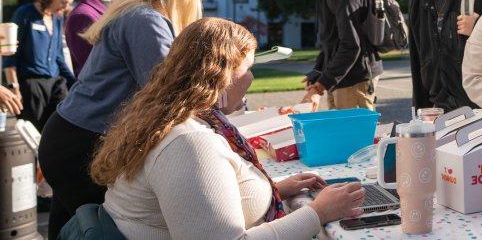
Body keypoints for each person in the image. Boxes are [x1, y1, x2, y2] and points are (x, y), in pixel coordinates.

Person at [90, 18, 365, 239]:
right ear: (220, 75)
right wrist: (318, 212)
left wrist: (271, 190)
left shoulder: (175, 120)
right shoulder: (189, 143)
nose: (252, 78)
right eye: (248, 68)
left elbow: (198, 202)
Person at [38, 0, 213, 238]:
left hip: (74, 137)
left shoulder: (141, 14)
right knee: (100, 230)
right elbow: (167, 93)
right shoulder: (145, 20)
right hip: (81, 143)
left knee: (72, 229)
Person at [271, 0, 382, 111]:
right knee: (339, 136)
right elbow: (332, 37)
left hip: (355, 78)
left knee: (353, 137)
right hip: (341, 78)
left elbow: (352, 44)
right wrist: (318, 72)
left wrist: (319, 87)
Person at [3, 0, 75, 130]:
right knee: (35, 131)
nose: (66, 7)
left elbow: (59, 58)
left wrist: (76, 83)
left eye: (69, 3)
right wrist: (13, 86)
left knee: (62, 127)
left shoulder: (57, 19)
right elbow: (10, 54)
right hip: (32, 85)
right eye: (64, 2)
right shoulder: (25, 14)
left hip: (55, 83)